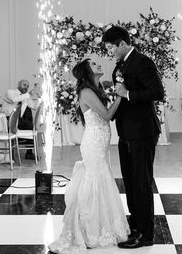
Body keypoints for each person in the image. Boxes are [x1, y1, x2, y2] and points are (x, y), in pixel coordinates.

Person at [49, 59, 128, 253]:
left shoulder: (96, 87)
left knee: (100, 178)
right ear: (87, 70)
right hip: (93, 142)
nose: (99, 64)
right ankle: (88, 229)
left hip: (99, 142)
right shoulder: (86, 91)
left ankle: (100, 224)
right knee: (94, 179)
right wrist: (120, 96)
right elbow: (107, 115)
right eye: (94, 64)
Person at [103, 25, 164, 249]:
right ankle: (136, 221)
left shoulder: (143, 62)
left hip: (143, 131)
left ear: (122, 43)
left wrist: (127, 93)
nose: (109, 52)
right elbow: (122, 95)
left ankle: (146, 233)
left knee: (141, 181)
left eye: (111, 47)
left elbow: (158, 92)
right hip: (126, 131)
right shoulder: (121, 65)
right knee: (129, 179)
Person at [3, 79, 41, 160]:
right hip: (9, 119)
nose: (26, 87)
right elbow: (14, 99)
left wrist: (37, 97)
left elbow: (34, 106)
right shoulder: (10, 92)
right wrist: (29, 94)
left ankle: (29, 152)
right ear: (19, 85)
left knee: (29, 113)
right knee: (31, 125)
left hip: (20, 120)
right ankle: (28, 151)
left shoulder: (26, 96)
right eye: (24, 85)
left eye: (27, 86)